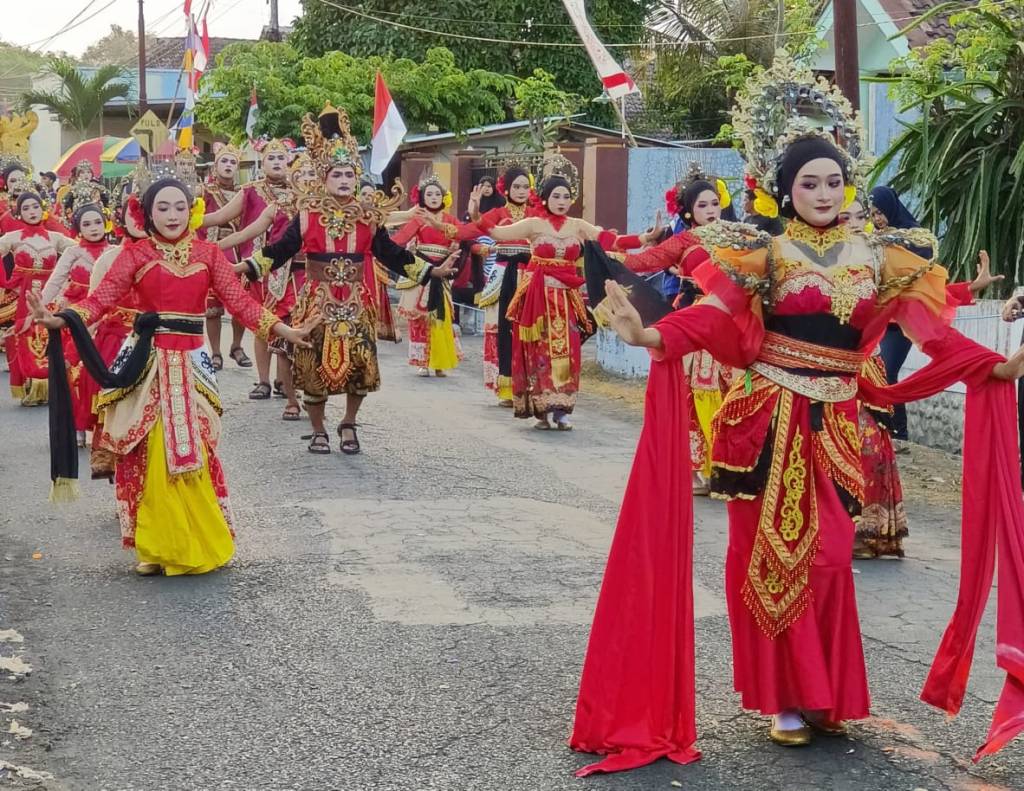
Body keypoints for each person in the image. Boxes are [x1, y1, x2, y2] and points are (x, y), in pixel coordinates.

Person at [571, 52, 1024, 774]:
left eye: (834, 180)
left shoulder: (880, 257)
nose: (823, 190)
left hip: (839, 424)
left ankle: (825, 693)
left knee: (833, 557)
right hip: (766, 420)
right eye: (808, 181)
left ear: (848, 187)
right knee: (768, 560)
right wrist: (655, 335)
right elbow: (718, 319)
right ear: (785, 190)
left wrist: (992, 366)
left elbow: (930, 332)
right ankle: (784, 695)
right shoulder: (762, 251)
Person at [30, 173, 310, 576]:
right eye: (162, 207)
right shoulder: (136, 255)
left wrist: (286, 330)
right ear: (147, 213)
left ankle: (198, 540)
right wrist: (58, 320)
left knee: (197, 448)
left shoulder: (209, 254)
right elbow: (100, 301)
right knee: (146, 450)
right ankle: (156, 545)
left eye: (181, 206)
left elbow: (242, 305)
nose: (173, 214)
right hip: (147, 364)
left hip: (193, 365)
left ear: (193, 211)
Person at [250, 103, 431, 455]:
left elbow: (389, 252)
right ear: (324, 178)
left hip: (355, 301)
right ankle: (318, 429)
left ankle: (348, 422)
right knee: (313, 364)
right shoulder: (307, 215)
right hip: (318, 302)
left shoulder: (367, 216)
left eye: (350, 174)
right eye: (337, 175)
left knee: (360, 364)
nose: (345, 181)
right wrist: (249, 268)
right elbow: (281, 249)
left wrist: (427, 271)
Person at [427, 153, 654, 430]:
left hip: (567, 299)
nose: (562, 201)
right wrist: (476, 214)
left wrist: (645, 238)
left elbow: (611, 239)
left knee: (569, 351)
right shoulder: (534, 225)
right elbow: (497, 233)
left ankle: (563, 408)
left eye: (566, 196)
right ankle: (542, 409)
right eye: (556, 196)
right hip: (538, 297)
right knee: (541, 351)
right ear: (545, 198)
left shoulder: (577, 226)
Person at [622, 166, 738, 493]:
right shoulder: (683, 240)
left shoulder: (738, 236)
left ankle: (732, 464)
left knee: (732, 391)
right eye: (703, 205)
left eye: (715, 203)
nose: (711, 210)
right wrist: (602, 250)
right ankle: (706, 466)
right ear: (688, 211)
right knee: (698, 390)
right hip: (694, 314)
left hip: (730, 322)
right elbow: (643, 262)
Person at [200, 138, 297, 381]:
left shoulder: (301, 193)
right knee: (262, 323)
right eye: (271, 158)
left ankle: (284, 381)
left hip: (294, 269)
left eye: (280, 158)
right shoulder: (250, 191)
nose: (276, 162)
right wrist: (181, 217)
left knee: (290, 323)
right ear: (261, 164)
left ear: (289, 162)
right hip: (257, 266)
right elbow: (218, 217)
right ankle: (264, 379)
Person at [39, 203, 111, 445]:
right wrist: (39, 307)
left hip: (106, 317)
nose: (93, 228)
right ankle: (77, 426)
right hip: (75, 317)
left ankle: (105, 425)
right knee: (75, 370)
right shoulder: (72, 252)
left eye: (98, 222)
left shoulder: (115, 251)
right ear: (78, 228)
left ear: (106, 223)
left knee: (102, 369)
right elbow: (55, 281)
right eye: (87, 224)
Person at [869, 185, 933, 445]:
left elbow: (925, 259)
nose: (877, 220)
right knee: (876, 371)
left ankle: (900, 433)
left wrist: (893, 246)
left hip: (902, 322)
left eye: (880, 213)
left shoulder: (914, 235)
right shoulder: (873, 238)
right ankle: (884, 430)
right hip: (878, 318)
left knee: (887, 370)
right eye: (872, 214)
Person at [464, 165, 534, 405]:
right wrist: (472, 213)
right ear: (507, 188)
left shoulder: (536, 215)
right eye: (517, 186)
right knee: (499, 328)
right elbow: (473, 228)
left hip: (529, 275)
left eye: (525, 186)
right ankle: (506, 387)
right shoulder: (497, 213)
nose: (521, 191)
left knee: (529, 330)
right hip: (503, 275)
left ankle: (528, 385)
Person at [0, 192, 76, 405]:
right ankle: (32, 386)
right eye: (26, 208)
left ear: (41, 208)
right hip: (23, 295)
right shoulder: (12, 238)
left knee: (49, 336)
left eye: (35, 206)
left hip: (49, 293)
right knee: (26, 335)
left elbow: (82, 249)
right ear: (19, 212)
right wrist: (9, 284)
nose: (32, 212)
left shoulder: (55, 238)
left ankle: (51, 386)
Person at [393, 174, 468, 378]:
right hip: (422, 272)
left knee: (440, 318)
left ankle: (439, 362)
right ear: (422, 198)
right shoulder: (418, 219)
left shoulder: (451, 221)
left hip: (442, 271)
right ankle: (423, 362)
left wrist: (455, 247)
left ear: (444, 197)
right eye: (429, 194)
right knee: (419, 319)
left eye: (437, 194)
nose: (434, 197)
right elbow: (400, 239)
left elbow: (462, 235)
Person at [200, 143, 248, 373]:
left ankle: (237, 346)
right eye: (224, 162)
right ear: (215, 166)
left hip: (237, 249)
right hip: (213, 248)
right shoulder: (205, 191)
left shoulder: (245, 193)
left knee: (240, 301)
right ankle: (216, 352)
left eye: (232, 162)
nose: (228, 166)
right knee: (213, 306)